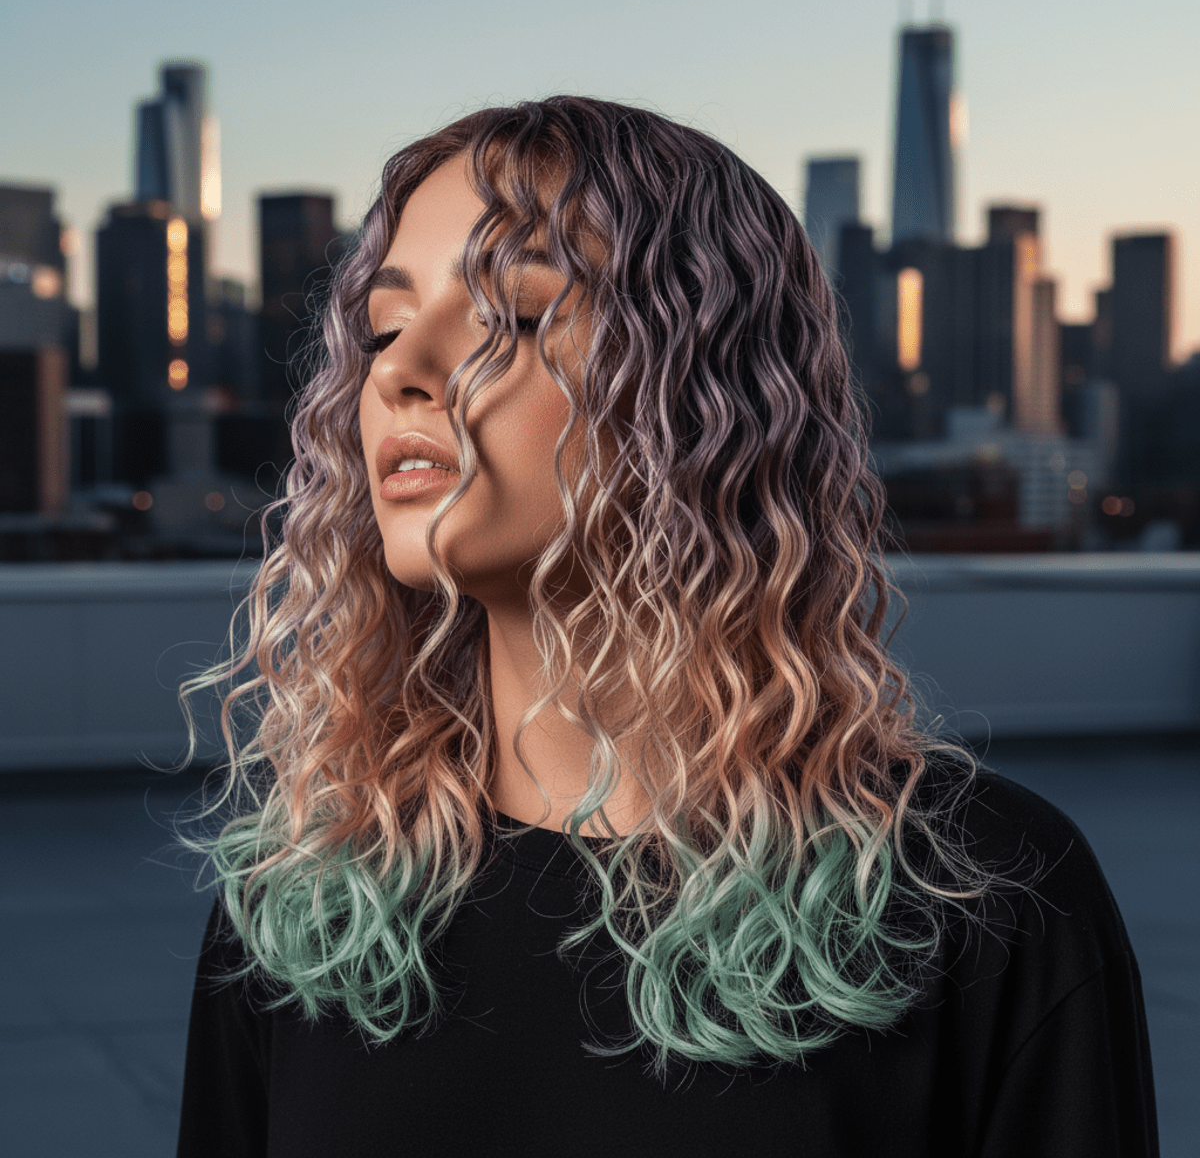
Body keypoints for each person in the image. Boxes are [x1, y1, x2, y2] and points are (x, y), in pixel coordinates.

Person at [176, 96, 1158, 1157]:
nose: (401, 371)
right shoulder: (307, 899)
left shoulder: (988, 900)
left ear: (698, 392)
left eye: (508, 314)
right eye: (383, 325)